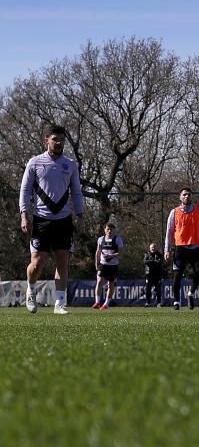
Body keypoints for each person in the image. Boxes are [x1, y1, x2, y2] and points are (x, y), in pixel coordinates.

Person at [18, 124, 85, 314]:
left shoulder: (70, 165)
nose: (59, 143)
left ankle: (59, 304)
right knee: (38, 263)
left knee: (62, 261)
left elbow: (77, 193)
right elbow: (24, 191)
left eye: (62, 140)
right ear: (46, 140)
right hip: (42, 220)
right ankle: (30, 291)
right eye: (55, 139)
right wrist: (24, 214)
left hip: (64, 220)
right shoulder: (35, 163)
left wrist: (81, 216)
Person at [165, 187, 199, 309]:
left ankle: (190, 293)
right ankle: (176, 302)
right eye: (184, 194)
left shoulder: (198, 210)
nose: (187, 196)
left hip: (195, 248)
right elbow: (169, 232)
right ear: (180, 197)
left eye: (189, 195)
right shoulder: (174, 212)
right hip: (180, 248)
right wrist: (167, 249)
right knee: (177, 275)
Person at [93, 222, 124, 309]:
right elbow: (98, 252)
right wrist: (96, 263)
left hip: (113, 265)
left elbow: (121, 252)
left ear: (114, 230)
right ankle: (97, 302)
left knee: (111, 284)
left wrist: (111, 256)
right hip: (103, 264)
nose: (109, 231)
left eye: (111, 229)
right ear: (105, 230)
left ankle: (106, 304)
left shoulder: (117, 239)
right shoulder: (101, 239)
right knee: (99, 282)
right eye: (108, 229)